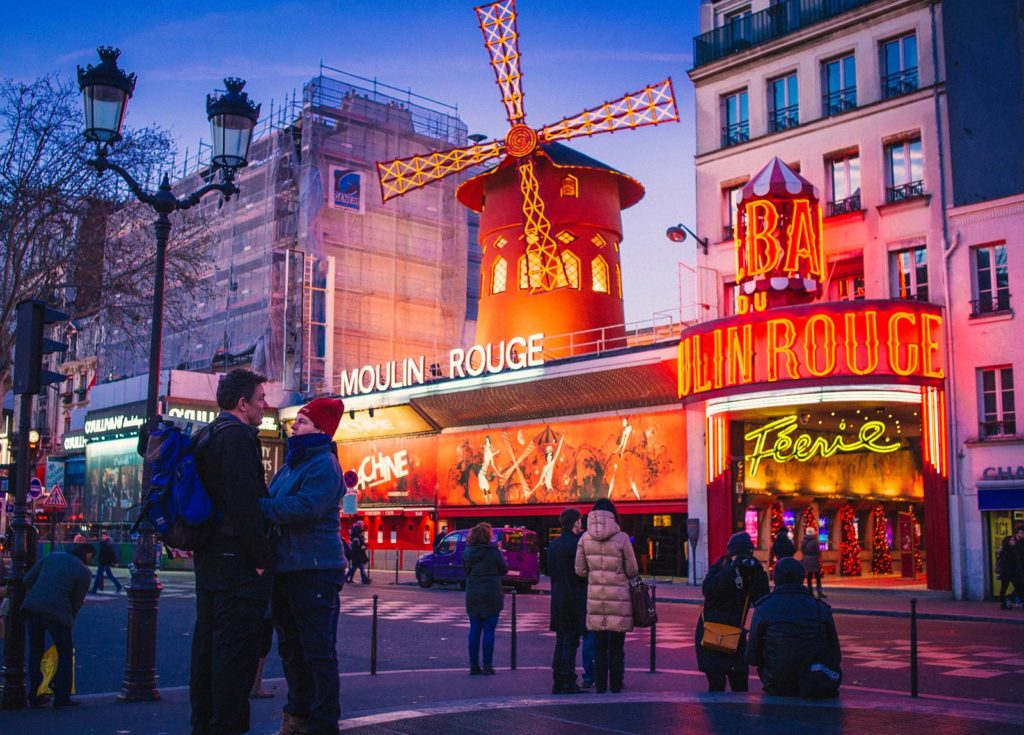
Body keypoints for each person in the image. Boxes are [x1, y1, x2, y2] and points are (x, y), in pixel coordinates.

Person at [190, 368, 276, 735]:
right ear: (242, 404)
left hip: (209, 554)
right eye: (260, 399)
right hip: (235, 560)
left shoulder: (206, 434)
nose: (265, 406)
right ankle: (226, 726)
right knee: (234, 655)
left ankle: (203, 724)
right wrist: (261, 560)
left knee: (207, 646)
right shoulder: (239, 437)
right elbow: (245, 504)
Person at [260, 397, 348, 735]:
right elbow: (278, 500)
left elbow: (305, 507)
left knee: (316, 650)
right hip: (289, 567)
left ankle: (323, 722)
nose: (294, 425)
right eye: (297, 420)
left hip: (314, 568)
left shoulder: (324, 464)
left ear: (320, 429)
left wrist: (261, 508)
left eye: (302, 421)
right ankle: (298, 712)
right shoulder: (292, 464)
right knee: (292, 649)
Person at [747, 557, 841, 697]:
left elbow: (752, 656)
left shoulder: (764, 607)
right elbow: (835, 653)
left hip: (776, 680)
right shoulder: (820, 608)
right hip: (815, 679)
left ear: (776, 578)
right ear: (802, 578)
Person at [574, 497, 638, 694]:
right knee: (617, 648)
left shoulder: (584, 538)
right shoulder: (622, 538)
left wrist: (595, 574)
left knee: (599, 647)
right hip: (619, 599)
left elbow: (580, 570)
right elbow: (633, 570)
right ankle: (616, 685)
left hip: (595, 598)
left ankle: (600, 686)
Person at [695, 531, 770, 692]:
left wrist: (757, 572)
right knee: (716, 685)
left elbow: (762, 601)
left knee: (740, 685)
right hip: (710, 633)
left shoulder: (753, 571)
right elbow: (708, 590)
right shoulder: (723, 565)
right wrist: (732, 569)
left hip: (735, 635)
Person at [23, 543, 95, 707]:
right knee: (65, 653)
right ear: (87, 555)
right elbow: (76, 602)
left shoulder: (51, 557)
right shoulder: (84, 572)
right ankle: (61, 695)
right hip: (58, 613)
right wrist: (70, 621)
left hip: (34, 607)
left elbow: (27, 580)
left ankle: (35, 693)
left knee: (36, 651)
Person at [547, 507, 588, 694]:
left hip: (557, 596)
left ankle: (558, 679)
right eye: (580, 521)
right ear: (575, 523)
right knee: (571, 640)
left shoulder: (554, 544)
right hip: (575, 597)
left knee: (560, 639)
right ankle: (568, 680)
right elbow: (582, 572)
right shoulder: (577, 544)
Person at [463, 522, 508, 675]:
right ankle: (487, 666)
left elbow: (466, 570)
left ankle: (473, 666)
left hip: (473, 592)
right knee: (489, 630)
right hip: (491, 592)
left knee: (474, 629)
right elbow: (503, 569)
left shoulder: (468, 552)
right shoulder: (494, 552)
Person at [996, 536, 1022, 610]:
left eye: (1013, 540)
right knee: (1004, 587)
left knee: (1019, 587)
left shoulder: (1015, 549)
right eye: (1011, 540)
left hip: (1015, 572)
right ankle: (1004, 602)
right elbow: (1004, 562)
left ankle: (1008, 599)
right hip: (1007, 573)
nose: (1013, 541)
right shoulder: (1004, 551)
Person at [801, 529, 825, 598]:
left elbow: (802, 550)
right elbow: (818, 551)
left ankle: (810, 591)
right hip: (814, 559)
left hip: (806, 559)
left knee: (809, 576)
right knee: (818, 576)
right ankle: (819, 592)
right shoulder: (815, 541)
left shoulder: (804, 541)